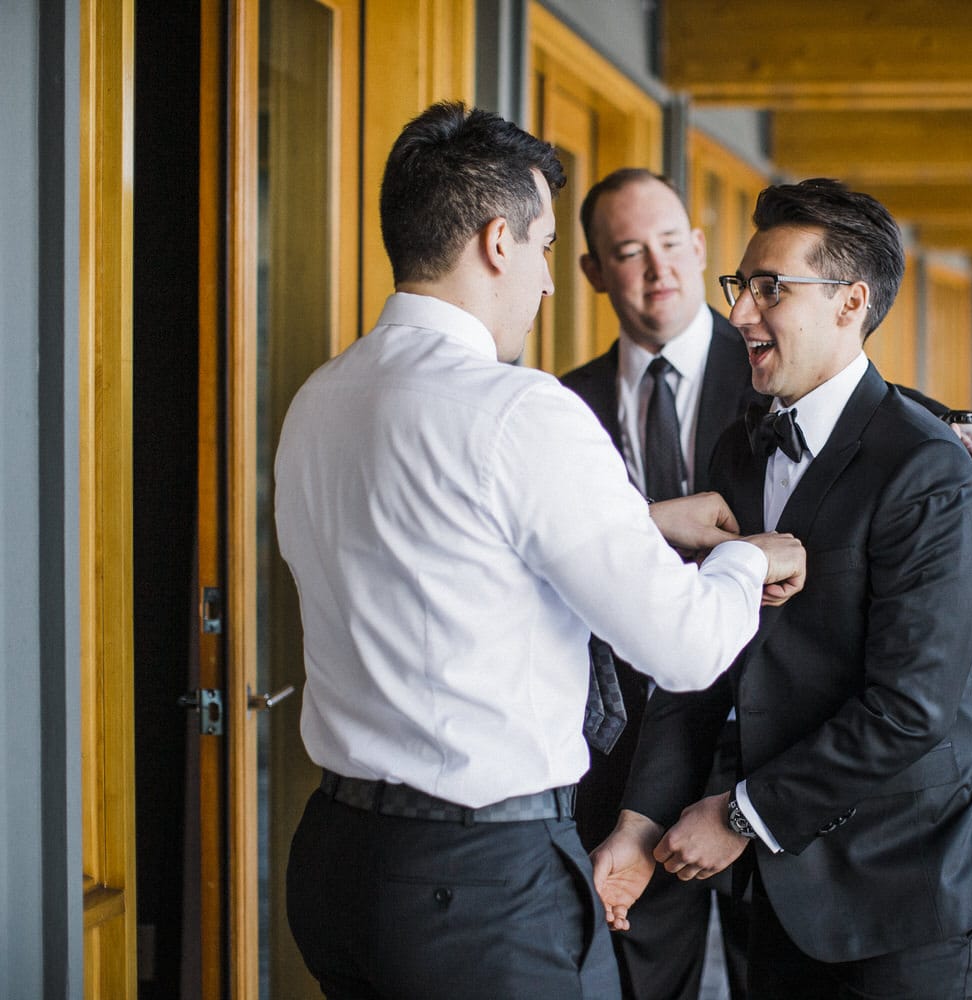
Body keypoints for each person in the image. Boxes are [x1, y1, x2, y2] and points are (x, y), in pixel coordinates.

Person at [273, 102, 806, 1000]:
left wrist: (643, 523)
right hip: (478, 882)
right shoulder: (521, 410)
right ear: (495, 241)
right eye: (549, 245)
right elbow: (685, 645)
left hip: (335, 858)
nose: (551, 281)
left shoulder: (318, 401)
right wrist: (749, 558)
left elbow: (452, 556)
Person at [561, 168, 972, 1000]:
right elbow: (704, 661)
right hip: (783, 893)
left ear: (850, 303)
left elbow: (911, 709)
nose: (741, 311)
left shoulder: (932, 471)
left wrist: (741, 815)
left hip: (915, 887)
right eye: (742, 286)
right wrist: (639, 825)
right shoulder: (742, 448)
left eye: (769, 289)